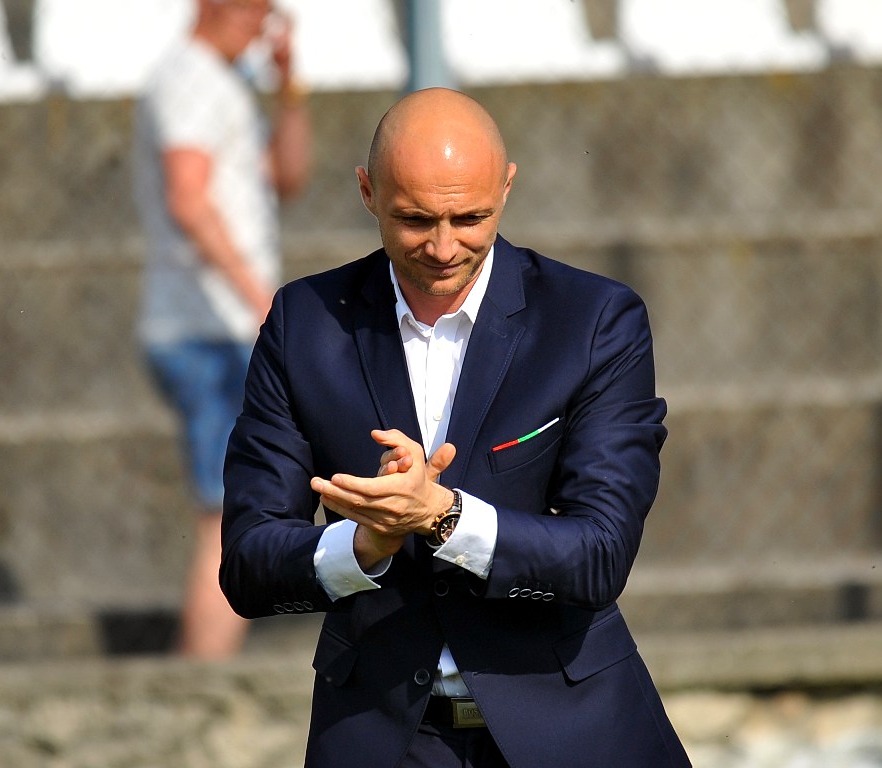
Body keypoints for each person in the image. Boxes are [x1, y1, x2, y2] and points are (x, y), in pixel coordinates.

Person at [220, 88, 689, 766]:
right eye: (415, 220)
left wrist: (442, 516)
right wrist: (362, 546)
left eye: (470, 218)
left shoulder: (591, 321)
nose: (444, 247)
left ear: (507, 187)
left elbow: (601, 553)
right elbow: (248, 565)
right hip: (382, 737)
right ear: (367, 192)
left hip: (573, 731)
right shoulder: (304, 325)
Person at [133, 0, 309, 658]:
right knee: (231, 514)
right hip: (207, 331)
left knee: (238, 508)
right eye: (257, 9)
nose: (265, 23)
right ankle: (197, 682)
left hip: (219, 328)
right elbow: (188, 196)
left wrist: (289, 86)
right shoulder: (189, 77)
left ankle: (195, 675)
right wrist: (257, 299)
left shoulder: (223, 80)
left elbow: (286, 177)